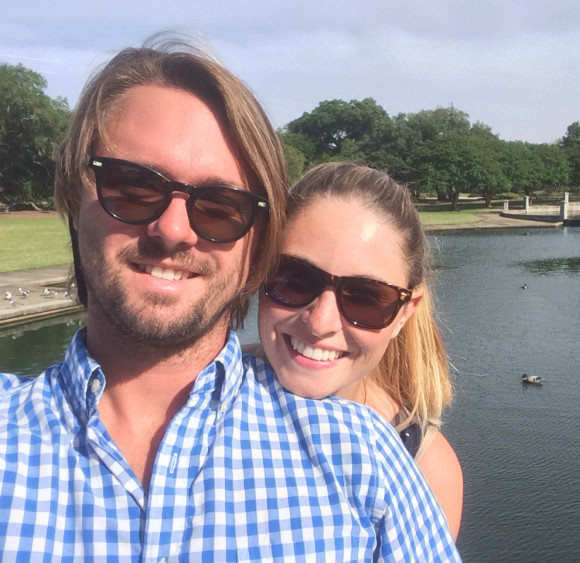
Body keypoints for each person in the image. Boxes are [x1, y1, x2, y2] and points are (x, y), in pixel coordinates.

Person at [0, 35, 459, 561]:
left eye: (219, 206)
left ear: (255, 243)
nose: (172, 229)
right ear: (73, 194)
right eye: (132, 186)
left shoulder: (366, 460)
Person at [254, 162, 463, 537]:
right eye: (294, 279)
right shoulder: (196, 393)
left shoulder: (426, 469)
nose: (320, 322)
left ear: (404, 314)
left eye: (367, 298)